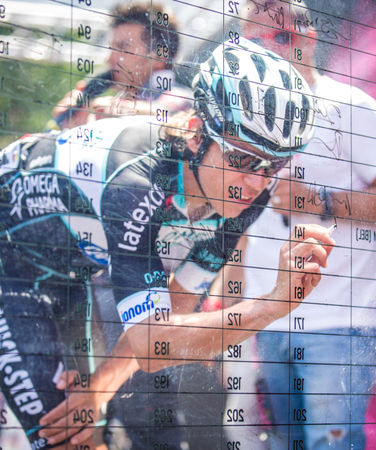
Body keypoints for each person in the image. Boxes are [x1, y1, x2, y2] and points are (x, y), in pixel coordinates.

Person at [0, 38, 334, 449]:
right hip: (9, 260)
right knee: (62, 436)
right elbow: (153, 344)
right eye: (244, 159)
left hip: (70, 267)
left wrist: (99, 388)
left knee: (85, 423)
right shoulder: (135, 182)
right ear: (195, 133)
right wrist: (271, 305)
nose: (257, 181)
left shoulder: (248, 194)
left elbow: (176, 304)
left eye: (275, 164)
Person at [220, 1, 376, 449]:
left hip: (338, 321)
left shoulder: (351, 107)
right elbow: (243, 228)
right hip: (268, 317)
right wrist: (232, 320)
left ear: (305, 40)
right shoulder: (245, 114)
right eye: (248, 43)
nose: (258, 53)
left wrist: (319, 202)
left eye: (271, 39)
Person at [51, 1, 191, 129]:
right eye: (112, 49)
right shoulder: (115, 107)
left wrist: (122, 110)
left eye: (123, 47)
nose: (109, 59)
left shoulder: (181, 99)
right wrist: (78, 126)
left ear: (160, 56)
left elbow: (175, 112)